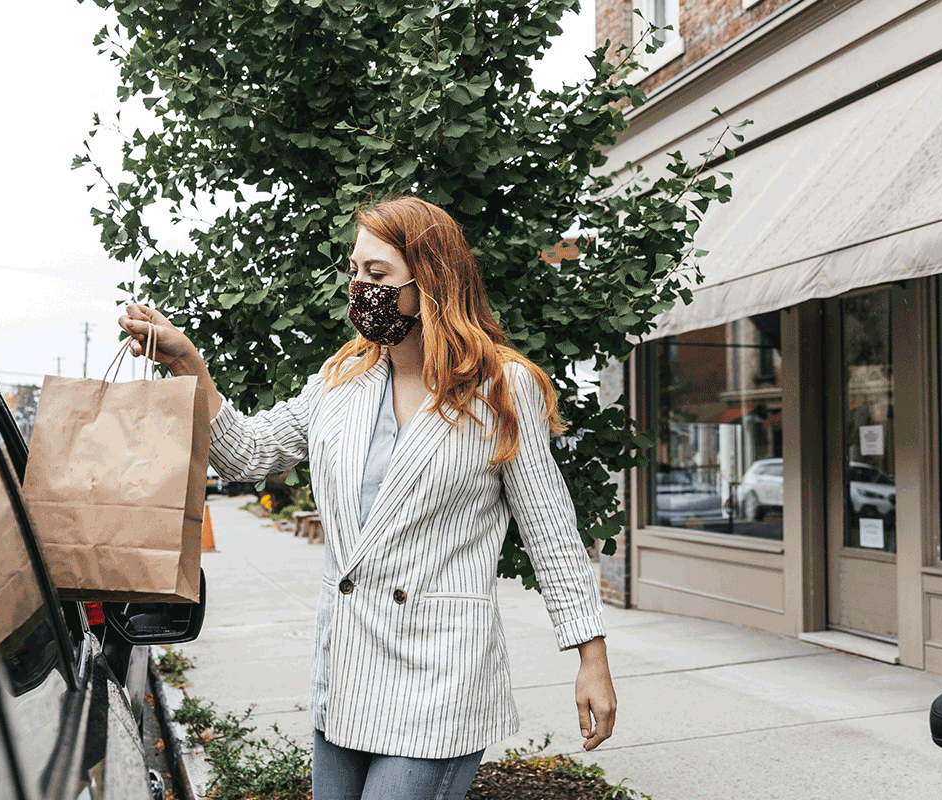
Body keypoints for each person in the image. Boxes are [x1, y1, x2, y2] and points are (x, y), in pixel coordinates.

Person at [119, 195, 615, 800]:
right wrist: (187, 363)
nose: (360, 288)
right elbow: (246, 453)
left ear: (429, 282)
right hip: (349, 667)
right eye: (354, 271)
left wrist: (590, 655)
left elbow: (551, 529)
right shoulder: (341, 379)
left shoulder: (501, 387)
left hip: (442, 672)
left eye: (377, 275)